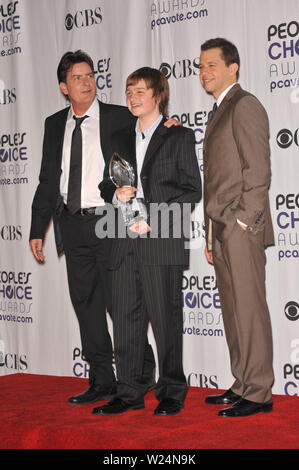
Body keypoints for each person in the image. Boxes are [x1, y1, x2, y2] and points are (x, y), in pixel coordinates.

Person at [29, 50, 162, 405]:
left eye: (90, 75)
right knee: (85, 303)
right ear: (63, 87)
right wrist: (36, 228)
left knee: (122, 305)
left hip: (110, 220)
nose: (87, 82)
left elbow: (151, 134)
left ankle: (140, 374)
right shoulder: (54, 124)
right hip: (71, 223)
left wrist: (171, 126)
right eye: (77, 78)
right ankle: (102, 379)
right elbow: (47, 179)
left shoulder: (119, 117)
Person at [93, 67, 202, 417]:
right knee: (125, 320)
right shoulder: (119, 137)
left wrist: (155, 217)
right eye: (129, 91)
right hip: (123, 238)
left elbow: (192, 190)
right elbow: (104, 184)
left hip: (160, 239)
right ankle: (129, 391)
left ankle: (171, 391)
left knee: (165, 320)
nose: (133, 97)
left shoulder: (178, 136)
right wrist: (116, 193)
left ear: (158, 96)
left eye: (141, 91)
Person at [199, 38, 274, 417]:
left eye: (212, 64)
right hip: (222, 228)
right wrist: (212, 234)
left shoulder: (244, 106)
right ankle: (243, 382)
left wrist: (244, 221)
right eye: (200, 66)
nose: (204, 72)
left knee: (249, 310)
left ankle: (259, 392)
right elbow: (215, 181)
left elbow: (257, 173)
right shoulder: (217, 112)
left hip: (242, 227)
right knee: (233, 312)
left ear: (234, 67)